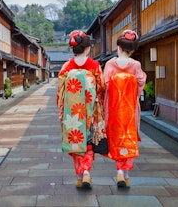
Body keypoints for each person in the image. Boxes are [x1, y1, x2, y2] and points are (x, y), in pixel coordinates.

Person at [57, 30, 105, 189]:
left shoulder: (66, 67)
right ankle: (86, 173)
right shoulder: (94, 66)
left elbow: (61, 92)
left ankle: (80, 175)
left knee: (75, 142)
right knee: (89, 143)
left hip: (72, 113)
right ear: (87, 48)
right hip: (90, 111)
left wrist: (62, 110)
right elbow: (101, 88)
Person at [103, 29, 147, 188]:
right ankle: (124, 172)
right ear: (133, 50)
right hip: (129, 108)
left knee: (116, 136)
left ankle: (119, 170)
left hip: (113, 108)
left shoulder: (109, 64)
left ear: (118, 47)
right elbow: (141, 83)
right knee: (128, 136)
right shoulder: (136, 65)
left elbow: (104, 85)